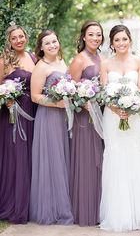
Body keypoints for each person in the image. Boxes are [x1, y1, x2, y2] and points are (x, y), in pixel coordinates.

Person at [100, 25, 140, 232]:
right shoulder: (105, 63)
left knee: (136, 156)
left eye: (124, 39)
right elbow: (102, 93)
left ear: (130, 41)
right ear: (112, 42)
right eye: (117, 40)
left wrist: (131, 108)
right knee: (115, 157)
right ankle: (117, 215)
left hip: (135, 116)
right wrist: (117, 109)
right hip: (112, 115)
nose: (121, 43)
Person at [29, 30, 73, 225]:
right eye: (47, 43)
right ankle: (52, 209)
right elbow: (35, 96)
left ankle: (63, 203)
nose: (52, 45)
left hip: (63, 117)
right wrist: (56, 104)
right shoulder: (41, 66)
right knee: (52, 160)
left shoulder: (63, 63)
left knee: (62, 159)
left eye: (54, 41)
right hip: (48, 118)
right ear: (41, 47)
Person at [68, 20, 104, 226]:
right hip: (85, 118)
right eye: (91, 34)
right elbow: (70, 92)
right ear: (83, 37)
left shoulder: (101, 57)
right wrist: (84, 106)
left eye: (98, 34)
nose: (95, 38)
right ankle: (85, 210)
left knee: (100, 161)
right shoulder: (79, 60)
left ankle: (100, 207)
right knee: (88, 160)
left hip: (101, 115)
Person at [0, 25, 36, 224]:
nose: (19, 40)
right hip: (12, 115)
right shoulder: (5, 60)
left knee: (29, 157)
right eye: (15, 38)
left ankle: (28, 204)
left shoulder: (33, 57)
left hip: (32, 114)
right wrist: (6, 98)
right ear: (10, 41)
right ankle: (12, 203)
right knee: (16, 158)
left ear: (26, 37)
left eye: (21, 36)